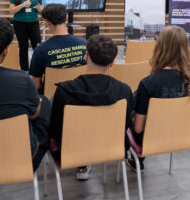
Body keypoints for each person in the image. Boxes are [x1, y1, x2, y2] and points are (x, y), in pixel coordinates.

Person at [0, 17, 50, 200]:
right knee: (44, 104)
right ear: (6, 51)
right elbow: (34, 116)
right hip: (18, 158)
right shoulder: (21, 80)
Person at [50, 34, 133, 180]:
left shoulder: (64, 91)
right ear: (113, 62)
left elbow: (56, 132)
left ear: (86, 56)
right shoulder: (124, 91)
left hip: (72, 151)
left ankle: (82, 165)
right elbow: (125, 126)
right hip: (112, 148)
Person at [127, 25, 190, 172]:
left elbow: (138, 128)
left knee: (128, 110)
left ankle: (137, 160)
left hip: (149, 139)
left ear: (160, 48)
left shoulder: (149, 83)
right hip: (182, 136)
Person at [29, 3, 87, 93]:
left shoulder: (40, 50)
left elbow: (36, 85)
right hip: (79, 95)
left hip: (52, 98)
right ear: (66, 19)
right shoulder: (85, 44)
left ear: (48, 22)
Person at [9, 0, 43, 71]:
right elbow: (11, 10)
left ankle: (37, 68)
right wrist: (22, 5)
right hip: (19, 23)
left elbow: (41, 8)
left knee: (37, 46)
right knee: (23, 47)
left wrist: (40, 9)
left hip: (34, 23)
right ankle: (24, 70)